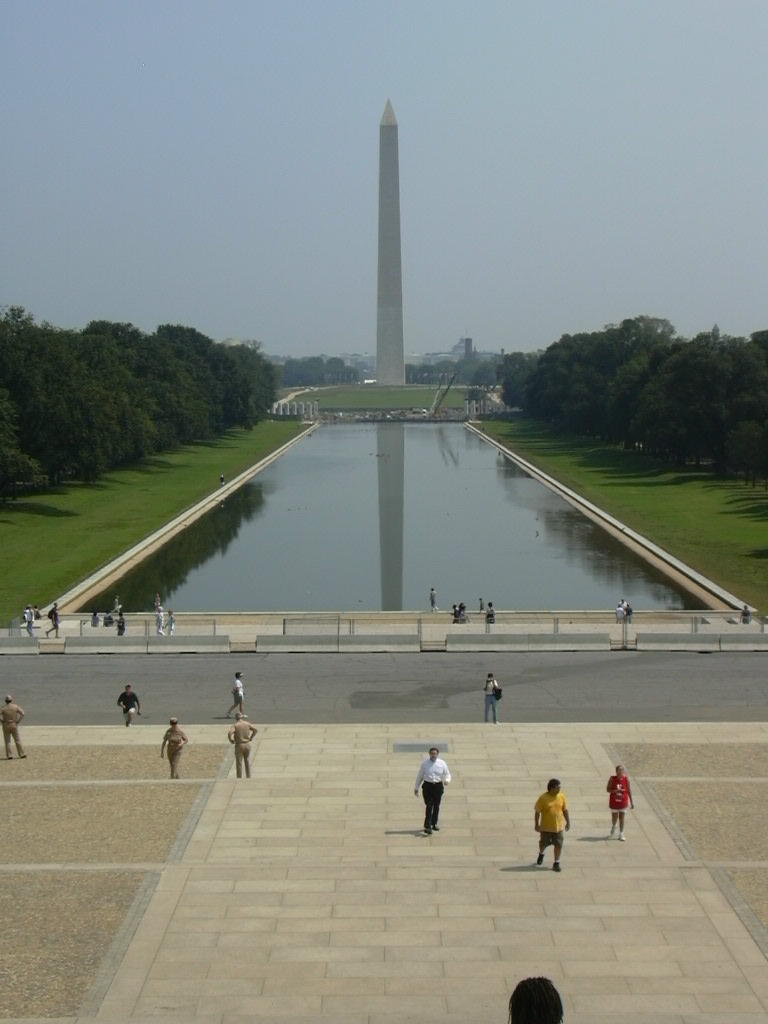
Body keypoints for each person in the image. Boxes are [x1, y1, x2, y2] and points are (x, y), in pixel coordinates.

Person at [534, 778, 570, 872]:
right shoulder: (543, 798)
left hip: (558, 828)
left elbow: (565, 810)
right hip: (546, 827)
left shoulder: (561, 796)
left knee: (558, 845)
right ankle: (541, 854)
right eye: (558, 787)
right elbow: (537, 812)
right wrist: (536, 825)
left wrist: (568, 822)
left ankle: (556, 863)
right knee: (543, 844)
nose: (559, 789)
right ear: (552, 788)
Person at [414, 746, 451, 834]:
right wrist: (416, 788)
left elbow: (447, 774)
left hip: (438, 786)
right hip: (427, 786)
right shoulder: (425, 764)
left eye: (435, 754)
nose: (433, 755)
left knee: (436, 806)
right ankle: (427, 826)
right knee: (429, 805)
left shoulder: (442, 763)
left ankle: (434, 824)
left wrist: (447, 781)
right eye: (432, 753)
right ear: (429, 754)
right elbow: (420, 776)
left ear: (437, 754)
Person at [607, 763, 634, 840]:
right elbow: (608, 789)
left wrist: (631, 802)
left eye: (622, 770)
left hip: (623, 801)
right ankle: (614, 825)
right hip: (614, 801)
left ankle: (621, 833)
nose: (621, 772)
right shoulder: (612, 779)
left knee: (622, 817)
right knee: (614, 817)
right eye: (619, 770)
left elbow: (629, 790)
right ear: (616, 771)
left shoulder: (626, 779)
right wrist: (615, 791)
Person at [228, 712, 258, 778]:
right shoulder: (247, 723)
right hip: (247, 744)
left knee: (239, 762)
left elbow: (230, 733)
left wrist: (231, 740)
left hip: (239, 744)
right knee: (247, 761)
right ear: (242, 717)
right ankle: (248, 776)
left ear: (236, 718)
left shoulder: (235, 725)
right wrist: (251, 737)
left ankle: (239, 777)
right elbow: (255, 730)